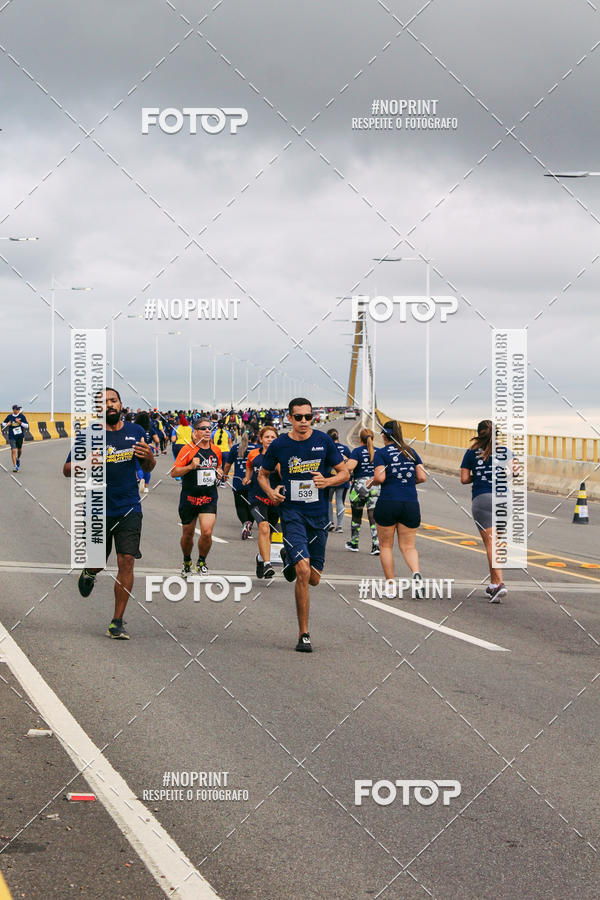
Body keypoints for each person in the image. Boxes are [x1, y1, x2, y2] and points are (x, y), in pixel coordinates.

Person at [63, 388, 156, 639]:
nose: (109, 405)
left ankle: (117, 621)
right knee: (98, 562)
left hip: (129, 507)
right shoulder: (88, 435)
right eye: (103, 402)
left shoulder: (136, 431)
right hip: (98, 508)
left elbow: (148, 466)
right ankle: (89, 572)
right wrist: (86, 462)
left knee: (126, 560)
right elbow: (67, 469)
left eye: (113, 400)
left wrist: (150, 458)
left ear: (121, 404)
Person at [258, 398, 349, 653]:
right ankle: (304, 634)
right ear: (290, 418)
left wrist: (328, 481)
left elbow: (344, 473)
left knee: (314, 578)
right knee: (303, 570)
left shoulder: (324, 441)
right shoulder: (280, 444)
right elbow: (263, 475)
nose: (304, 421)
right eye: (298, 417)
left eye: (308, 417)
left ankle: (288, 555)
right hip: (292, 514)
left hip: (318, 516)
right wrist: (271, 493)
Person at [371, 421, 427, 598]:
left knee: (385, 546)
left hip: (388, 501)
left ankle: (390, 586)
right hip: (410, 502)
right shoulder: (411, 452)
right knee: (409, 547)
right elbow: (422, 477)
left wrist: (372, 482)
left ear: (384, 435)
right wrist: (408, 482)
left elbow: (380, 477)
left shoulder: (381, 453)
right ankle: (416, 573)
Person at [460, 420, 507, 602]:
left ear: (478, 433)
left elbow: (464, 479)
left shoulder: (471, 452)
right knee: (497, 543)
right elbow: (516, 471)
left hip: (483, 499)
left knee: (490, 544)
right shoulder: (504, 451)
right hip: (504, 500)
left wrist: (478, 476)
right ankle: (494, 585)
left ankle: (500, 583)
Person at [171, 417, 223, 576]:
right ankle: (187, 560)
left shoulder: (216, 450)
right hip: (189, 498)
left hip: (208, 497)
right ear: (195, 432)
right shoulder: (187, 449)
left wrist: (220, 473)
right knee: (188, 534)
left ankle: (201, 561)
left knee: (207, 532)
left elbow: (219, 467)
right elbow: (174, 472)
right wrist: (190, 466)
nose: (207, 431)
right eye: (203, 428)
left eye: (209, 428)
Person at [244, 425, 280, 579]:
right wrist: (247, 477)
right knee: (263, 528)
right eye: (267, 437)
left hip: (274, 500)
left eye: (273, 437)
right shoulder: (253, 454)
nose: (270, 440)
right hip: (256, 499)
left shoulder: (281, 456)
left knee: (269, 533)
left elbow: (284, 476)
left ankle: (260, 558)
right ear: (261, 439)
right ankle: (267, 564)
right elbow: (249, 466)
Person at [345, 428, 380, 555]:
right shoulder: (379, 452)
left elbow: (349, 467)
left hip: (360, 486)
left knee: (356, 515)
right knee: (373, 516)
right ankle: (376, 545)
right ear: (373, 438)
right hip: (375, 485)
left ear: (360, 439)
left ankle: (354, 543)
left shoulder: (357, 451)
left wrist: (345, 462)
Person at [222, 429, 259, 540]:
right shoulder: (257, 449)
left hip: (238, 481)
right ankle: (249, 526)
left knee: (240, 505)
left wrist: (224, 475)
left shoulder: (235, 448)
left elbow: (228, 464)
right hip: (253, 481)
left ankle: (245, 523)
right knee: (252, 505)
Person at [325, 428, 350, 532]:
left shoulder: (327, 448)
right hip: (342, 479)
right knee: (340, 501)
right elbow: (350, 464)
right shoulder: (346, 449)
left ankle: (330, 522)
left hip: (330, 479)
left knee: (328, 501)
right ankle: (339, 526)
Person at [3, 405, 30, 472]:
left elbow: (27, 426)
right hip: (12, 436)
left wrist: (19, 422)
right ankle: (15, 466)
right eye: (16, 409)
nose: (18, 410)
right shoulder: (9, 416)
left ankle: (18, 458)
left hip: (20, 436)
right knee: (13, 451)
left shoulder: (22, 416)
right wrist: (7, 424)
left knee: (19, 450)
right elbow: (3, 423)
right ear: (13, 410)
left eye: (18, 409)